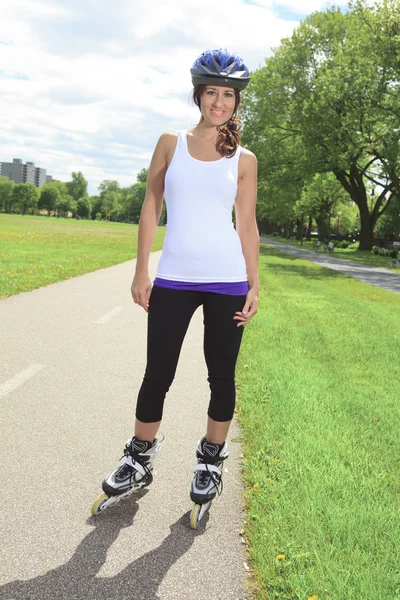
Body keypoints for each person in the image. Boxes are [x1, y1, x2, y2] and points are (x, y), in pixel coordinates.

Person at [101, 48, 259, 511]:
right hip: (173, 277)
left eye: (227, 95)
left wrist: (254, 284)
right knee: (158, 373)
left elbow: (247, 224)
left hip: (227, 279)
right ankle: (139, 457)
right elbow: (152, 205)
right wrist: (140, 270)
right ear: (199, 95)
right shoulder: (170, 141)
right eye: (212, 92)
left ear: (235, 101)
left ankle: (210, 460)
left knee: (221, 376)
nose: (219, 102)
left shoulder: (244, 159)